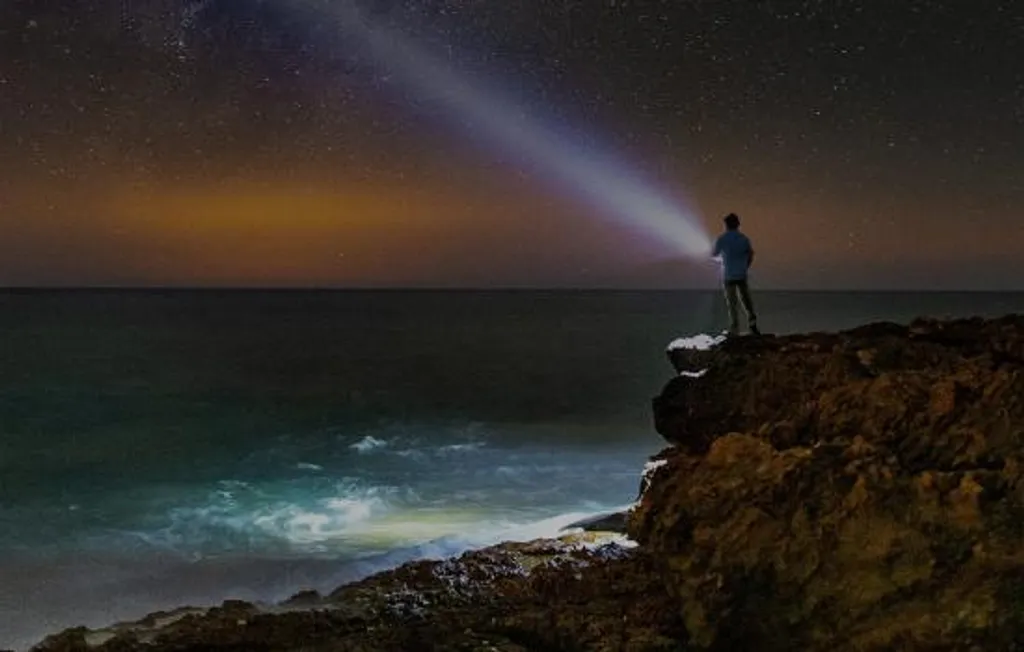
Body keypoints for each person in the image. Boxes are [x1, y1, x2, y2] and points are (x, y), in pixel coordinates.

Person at [711, 213, 760, 336]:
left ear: (726, 225)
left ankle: (734, 329)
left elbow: (714, 254)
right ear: (738, 224)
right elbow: (750, 255)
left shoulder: (722, 239)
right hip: (742, 274)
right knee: (746, 300)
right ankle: (752, 323)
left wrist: (723, 259)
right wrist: (745, 266)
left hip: (728, 275)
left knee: (732, 304)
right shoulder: (744, 239)